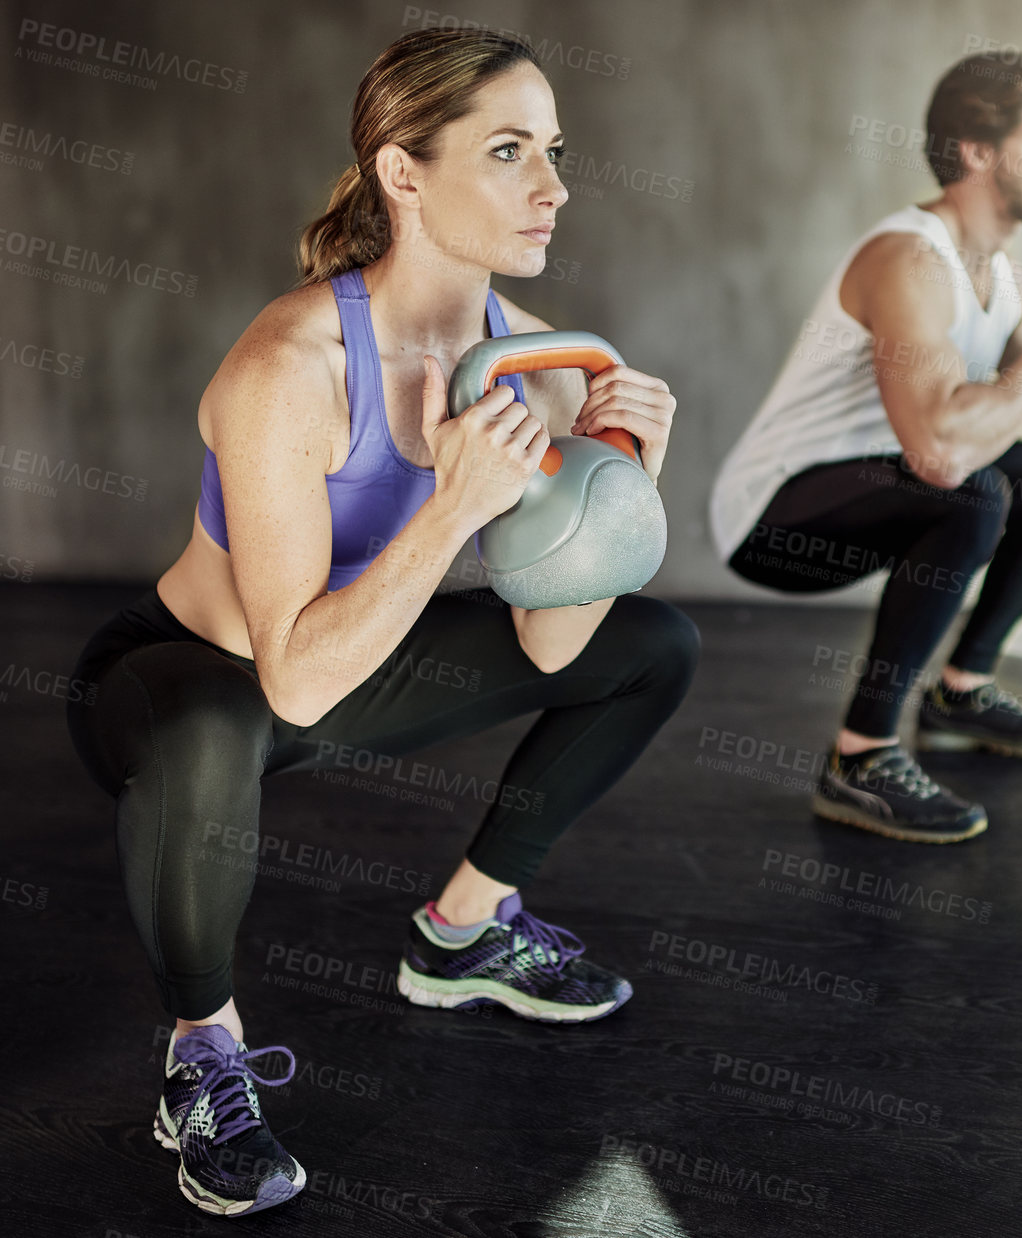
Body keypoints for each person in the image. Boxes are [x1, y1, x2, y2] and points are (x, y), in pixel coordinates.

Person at [62, 28, 698, 1217]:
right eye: (508, 151)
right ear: (403, 173)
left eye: (554, 150)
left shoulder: (543, 365)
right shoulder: (289, 366)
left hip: (353, 657)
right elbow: (293, 679)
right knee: (208, 727)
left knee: (653, 644)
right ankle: (203, 1051)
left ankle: (462, 929)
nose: (553, 186)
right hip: (188, 674)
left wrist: (622, 480)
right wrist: (454, 505)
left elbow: (555, 645)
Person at [709, 51, 1022, 844]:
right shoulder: (907, 258)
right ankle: (862, 756)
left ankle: (962, 690)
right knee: (968, 490)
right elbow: (943, 455)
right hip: (774, 514)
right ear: (978, 153)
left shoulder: (1001, 271)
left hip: (892, 474)